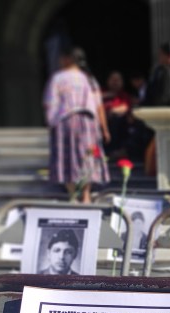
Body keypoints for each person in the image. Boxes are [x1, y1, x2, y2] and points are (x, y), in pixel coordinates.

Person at [44, 45, 110, 204]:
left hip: (65, 121)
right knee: (86, 157)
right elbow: (98, 105)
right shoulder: (89, 78)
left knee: (68, 158)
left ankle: (73, 194)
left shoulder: (58, 78)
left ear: (67, 59)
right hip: (87, 121)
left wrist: (51, 123)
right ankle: (86, 194)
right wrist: (104, 128)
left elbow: (50, 102)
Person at [144, 42, 170, 107]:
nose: (159, 56)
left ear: (169, 56)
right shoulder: (157, 69)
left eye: (161, 54)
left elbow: (166, 95)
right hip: (153, 107)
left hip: (162, 109)